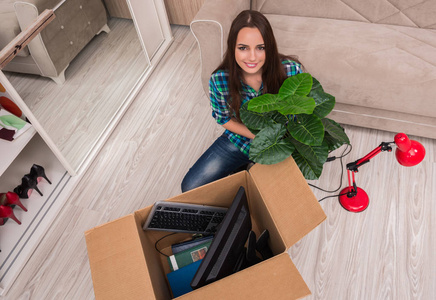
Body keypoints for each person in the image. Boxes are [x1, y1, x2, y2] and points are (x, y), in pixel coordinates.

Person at [181, 10, 303, 192]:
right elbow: (222, 118)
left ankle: (246, 170)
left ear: (269, 47)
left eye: (260, 48)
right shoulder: (220, 80)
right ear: (233, 47)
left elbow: (301, 113)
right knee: (191, 187)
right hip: (240, 139)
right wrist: (258, 137)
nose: (252, 57)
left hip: (279, 143)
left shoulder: (291, 72)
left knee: (277, 197)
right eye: (243, 48)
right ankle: (243, 167)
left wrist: (278, 142)